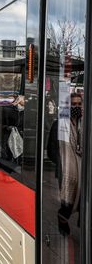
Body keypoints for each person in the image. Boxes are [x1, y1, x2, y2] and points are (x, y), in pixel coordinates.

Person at [47, 92, 83, 235]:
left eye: (79, 104)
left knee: (82, 200)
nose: (76, 107)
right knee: (67, 203)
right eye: (73, 104)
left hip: (83, 169)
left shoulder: (84, 123)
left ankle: (83, 226)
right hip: (66, 170)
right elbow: (51, 150)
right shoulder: (59, 125)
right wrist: (64, 162)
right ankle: (62, 220)